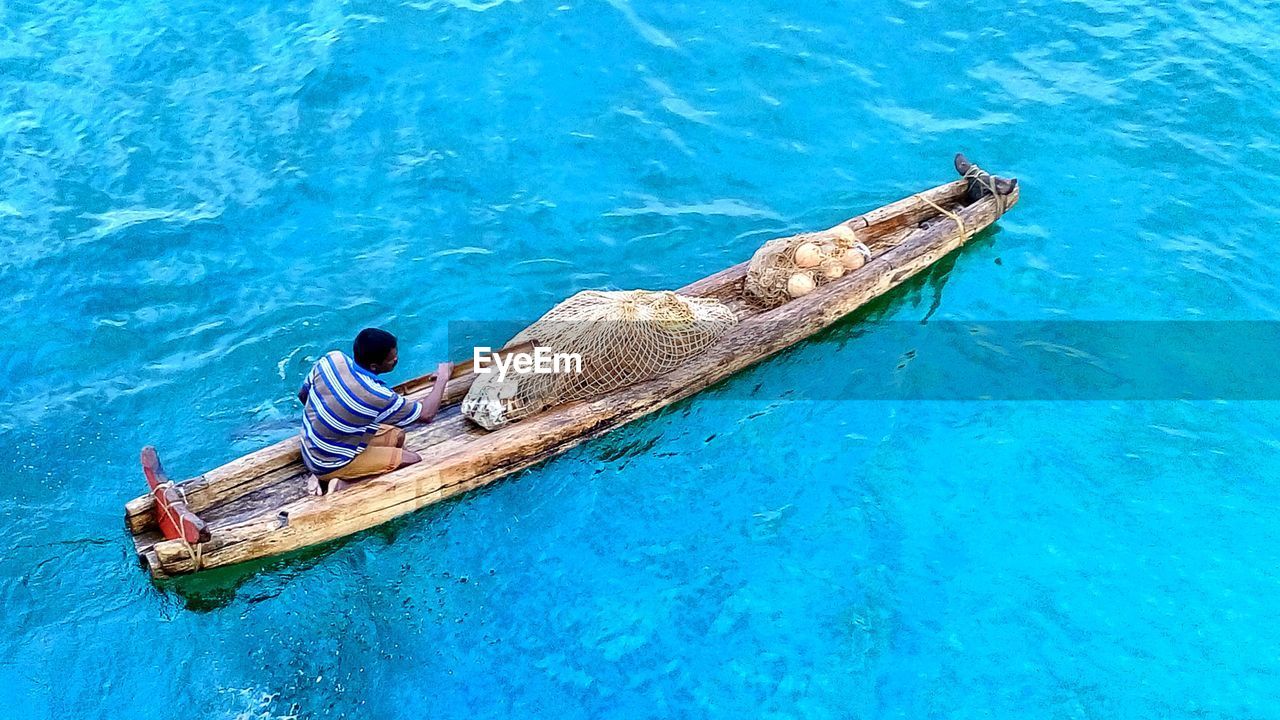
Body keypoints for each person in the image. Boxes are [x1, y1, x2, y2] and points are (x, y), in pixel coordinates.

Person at [297, 328, 452, 495]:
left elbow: (303, 395)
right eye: (392, 359)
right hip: (328, 463)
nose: (396, 359)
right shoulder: (377, 395)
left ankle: (323, 469)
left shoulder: (332, 360)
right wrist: (443, 377)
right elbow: (426, 414)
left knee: (398, 436)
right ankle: (345, 485)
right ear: (374, 366)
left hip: (308, 443)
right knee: (412, 459)